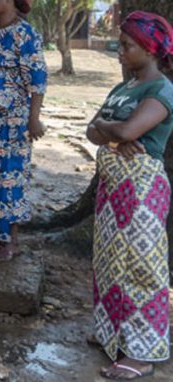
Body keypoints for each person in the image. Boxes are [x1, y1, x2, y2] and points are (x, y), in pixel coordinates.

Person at [86, 11, 173, 380]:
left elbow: (128, 129)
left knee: (141, 265)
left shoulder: (162, 90)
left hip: (142, 189)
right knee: (109, 261)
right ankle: (114, 334)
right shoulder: (124, 88)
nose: (119, 50)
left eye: (127, 45)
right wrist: (110, 130)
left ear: (151, 50)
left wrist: (111, 129)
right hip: (113, 188)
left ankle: (142, 353)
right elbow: (93, 131)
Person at [0, 0, 48, 261]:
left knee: (10, 176)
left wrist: (34, 119)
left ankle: (12, 241)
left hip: (13, 121)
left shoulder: (25, 34)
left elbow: (37, 78)